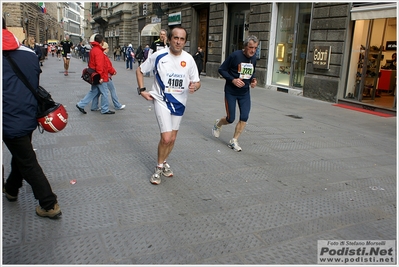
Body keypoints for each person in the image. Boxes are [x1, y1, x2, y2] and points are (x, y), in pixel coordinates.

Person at [2, 19, 62, 219]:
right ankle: (11, 189)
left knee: (27, 160)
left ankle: (49, 203)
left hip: (8, 118)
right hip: (28, 115)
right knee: (22, 153)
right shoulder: (29, 53)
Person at [136, 26, 201, 185]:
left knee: (172, 138)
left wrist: (195, 86)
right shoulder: (159, 56)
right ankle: (158, 167)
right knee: (165, 138)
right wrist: (142, 90)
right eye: (175, 38)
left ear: (185, 41)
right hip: (161, 100)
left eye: (182, 39)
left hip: (180, 103)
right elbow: (139, 70)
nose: (178, 42)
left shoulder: (189, 59)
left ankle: (164, 162)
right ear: (170, 39)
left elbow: (197, 81)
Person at [212, 35, 259, 152]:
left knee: (244, 116)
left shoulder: (253, 58)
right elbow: (221, 69)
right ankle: (218, 123)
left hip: (244, 93)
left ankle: (234, 140)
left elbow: (251, 73)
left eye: (255, 48)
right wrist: (233, 79)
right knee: (230, 118)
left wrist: (253, 80)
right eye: (250, 47)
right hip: (231, 92)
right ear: (245, 46)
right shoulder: (235, 56)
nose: (253, 50)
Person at [76, 34, 115, 115]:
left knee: (94, 91)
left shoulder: (93, 49)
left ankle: (81, 104)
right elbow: (99, 65)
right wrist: (101, 76)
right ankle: (105, 109)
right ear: (102, 41)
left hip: (93, 74)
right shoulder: (99, 51)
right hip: (100, 75)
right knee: (104, 92)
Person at [91, 41, 126, 111]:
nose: (108, 49)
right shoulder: (103, 56)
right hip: (105, 76)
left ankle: (94, 106)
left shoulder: (99, 53)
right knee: (111, 90)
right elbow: (107, 66)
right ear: (105, 48)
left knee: (96, 91)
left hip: (98, 75)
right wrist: (113, 71)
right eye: (107, 48)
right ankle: (116, 105)